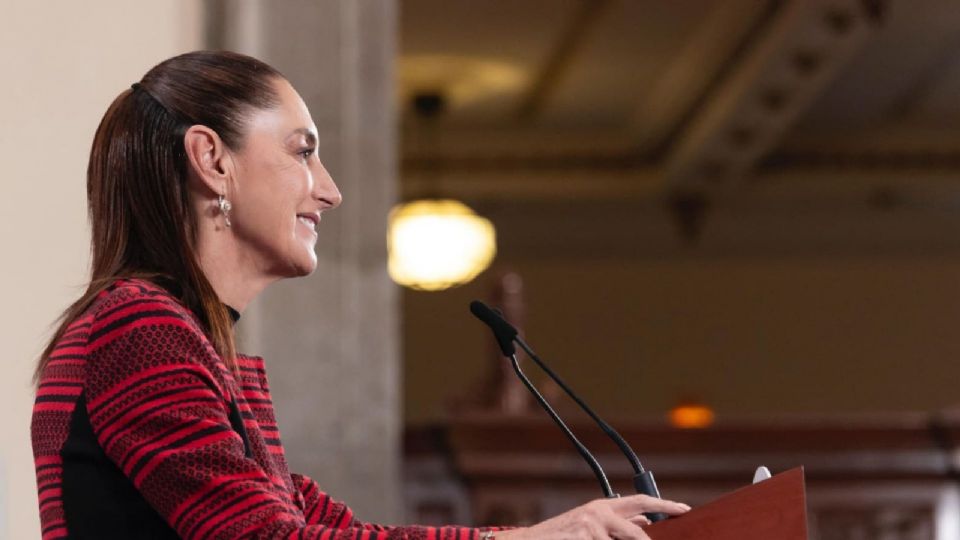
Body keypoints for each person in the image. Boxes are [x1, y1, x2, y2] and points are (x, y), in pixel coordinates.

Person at [31, 50, 690, 539]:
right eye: (302, 151)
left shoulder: (179, 340)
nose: (330, 189)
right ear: (212, 159)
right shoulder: (139, 329)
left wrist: (540, 535)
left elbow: (328, 528)